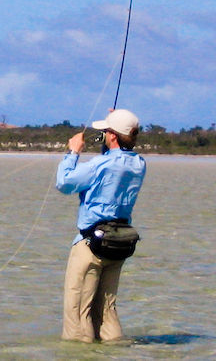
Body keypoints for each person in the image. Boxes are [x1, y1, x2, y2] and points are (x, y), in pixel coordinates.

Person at [55, 108, 146, 343]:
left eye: (105, 132)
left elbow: (64, 183)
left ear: (113, 136)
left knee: (78, 313)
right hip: (118, 246)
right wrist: (116, 122)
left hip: (90, 245)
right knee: (106, 311)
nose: (103, 135)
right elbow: (122, 153)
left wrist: (73, 152)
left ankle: (79, 353)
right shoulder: (139, 164)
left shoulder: (100, 165)